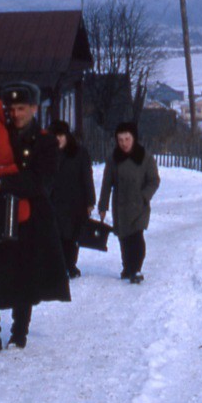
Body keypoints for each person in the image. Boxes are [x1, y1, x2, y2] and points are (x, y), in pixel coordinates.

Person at [0, 81, 70, 354]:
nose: (16, 114)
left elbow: (40, 182)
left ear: (34, 108)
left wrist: (4, 183)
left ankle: (19, 334)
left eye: (22, 108)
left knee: (25, 275)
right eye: (12, 108)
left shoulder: (45, 142)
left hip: (29, 219)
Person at [98, 122, 159, 284]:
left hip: (139, 205)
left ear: (134, 138)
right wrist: (103, 206)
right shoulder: (113, 158)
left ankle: (136, 269)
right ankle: (127, 267)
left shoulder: (145, 157)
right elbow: (106, 184)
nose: (124, 143)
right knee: (124, 238)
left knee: (137, 237)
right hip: (121, 205)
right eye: (120, 140)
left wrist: (144, 196)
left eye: (127, 139)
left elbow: (154, 180)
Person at [48, 119, 96, 278]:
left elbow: (87, 177)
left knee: (72, 237)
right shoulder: (47, 154)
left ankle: (70, 265)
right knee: (56, 235)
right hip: (54, 202)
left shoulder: (79, 152)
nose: (58, 139)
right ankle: (59, 266)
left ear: (67, 136)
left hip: (75, 202)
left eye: (61, 135)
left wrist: (90, 201)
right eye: (55, 136)